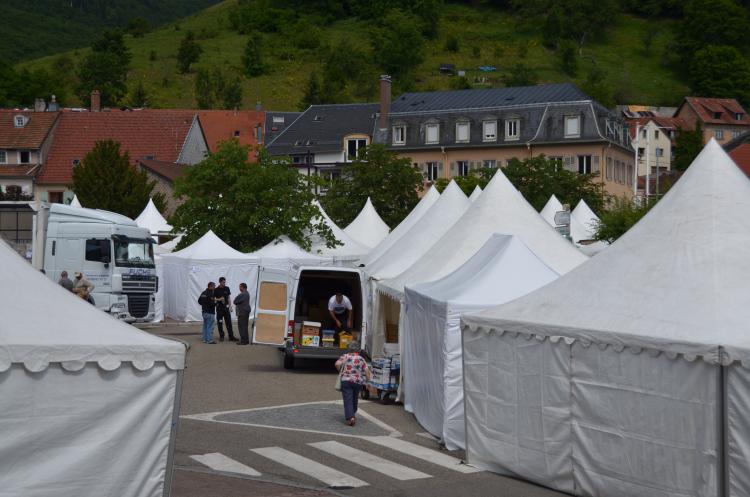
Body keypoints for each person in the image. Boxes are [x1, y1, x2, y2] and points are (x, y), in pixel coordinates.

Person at [335, 341, 370, 426]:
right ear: (357, 349)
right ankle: (352, 414)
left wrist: (340, 370)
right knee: (354, 399)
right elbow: (366, 371)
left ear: (348, 348)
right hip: (357, 382)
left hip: (346, 381)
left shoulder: (345, 356)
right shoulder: (361, 358)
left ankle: (351, 417)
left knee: (348, 400)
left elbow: (337, 364)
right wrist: (367, 382)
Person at [214, 277, 237, 342]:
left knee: (229, 322)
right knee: (220, 322)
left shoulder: (227, 288)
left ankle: (231, 336)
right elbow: (213, 299)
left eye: (225, 282)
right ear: (220, 282)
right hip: (219, 309)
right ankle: (221, 336)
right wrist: (219, 299)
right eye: (223, 282)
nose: (224, 283)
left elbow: (229, 298)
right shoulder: (216, 290)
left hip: (226, 308)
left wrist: (230, 306)